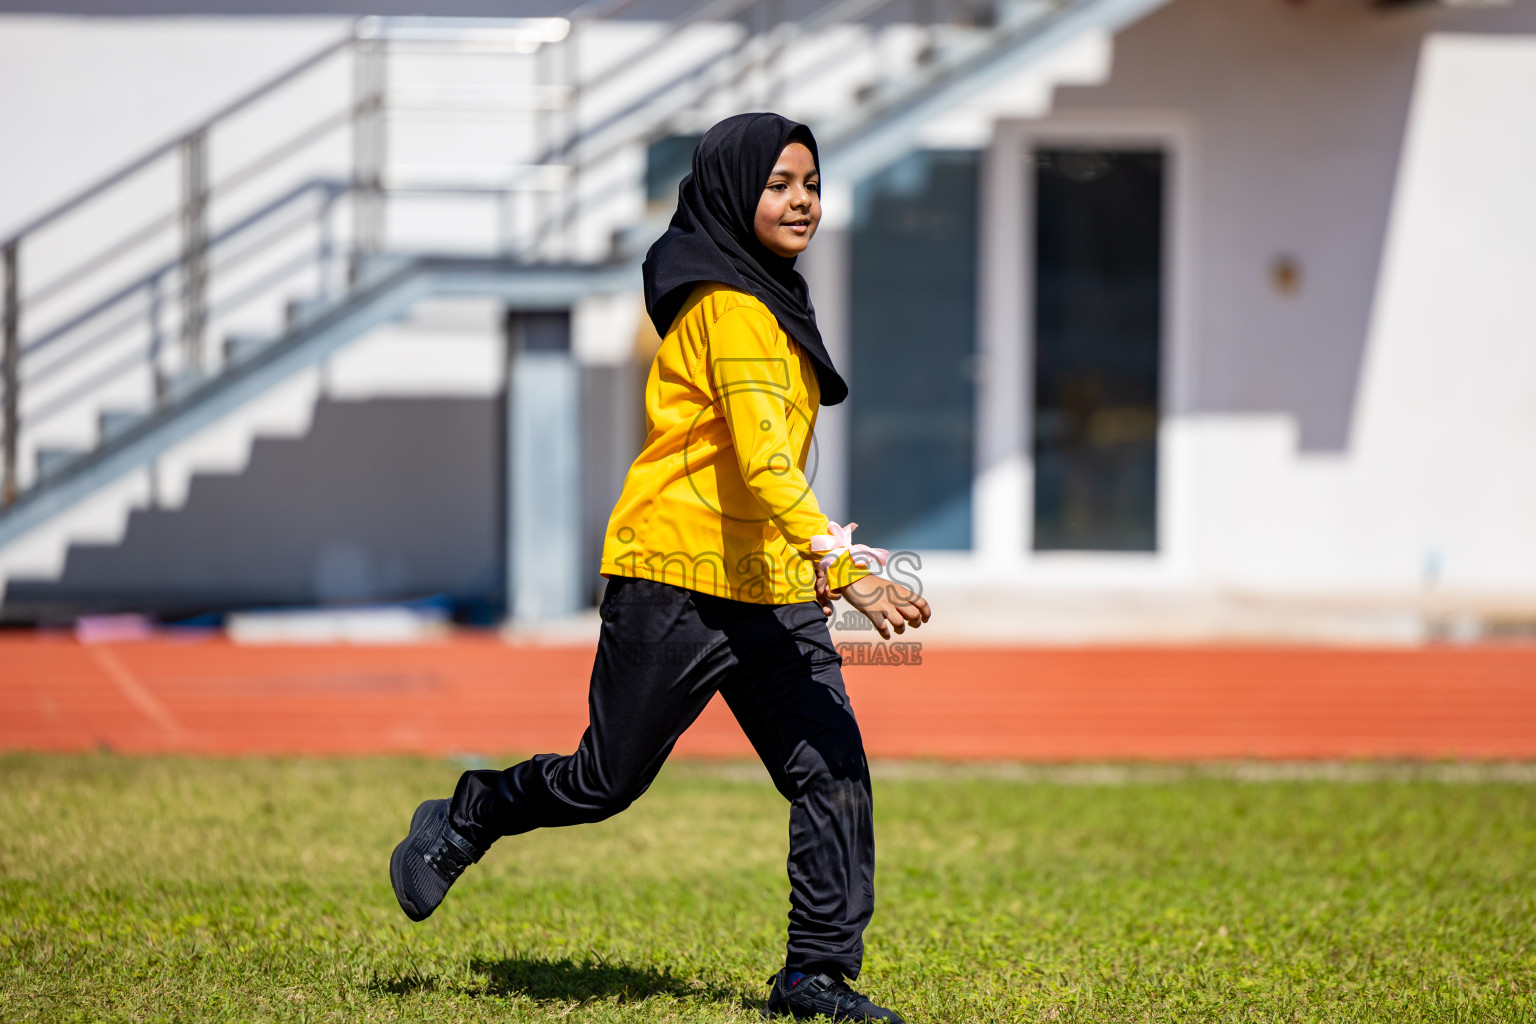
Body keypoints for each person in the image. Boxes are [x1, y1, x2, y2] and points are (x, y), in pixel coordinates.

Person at [390, 112, 930, 1023]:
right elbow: (762, 465)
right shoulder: (733, 308)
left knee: (831, 767)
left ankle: (814, 976)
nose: (801, 201)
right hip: (676, 575)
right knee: (604, 782)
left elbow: (768, 472)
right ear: (731, 192)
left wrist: (811, 563)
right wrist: (848, 571)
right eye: (778, 184)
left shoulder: (766, 297)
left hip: (765, 582)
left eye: (811, 183)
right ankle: (472, 811)